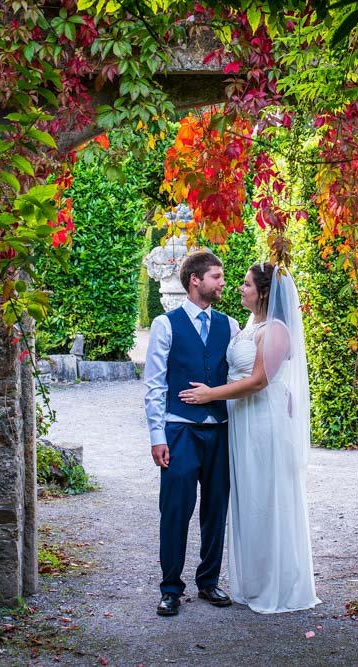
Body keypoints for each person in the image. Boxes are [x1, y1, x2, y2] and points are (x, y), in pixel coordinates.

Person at [179, 262, 320, 614]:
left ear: (263, 292)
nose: (238, 288)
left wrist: (211, 395)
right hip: (241, 421)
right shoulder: (247, 326)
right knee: (247, 500)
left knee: (267, 498)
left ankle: (278, 585)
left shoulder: (275, 330)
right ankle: (252, 582)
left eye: (245, 284)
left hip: (263, 421)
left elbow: (259, 381)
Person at [143, 251, 240, 617]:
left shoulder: (229, 326)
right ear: (195, 280)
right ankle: (170, 588)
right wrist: (157, 436)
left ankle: (209, 582)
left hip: (219, 431)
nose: (222, 282)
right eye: (216, 276)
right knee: (175, 510)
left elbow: (239, 376)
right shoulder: (165, 325)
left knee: (216, 509)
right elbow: (154, 385)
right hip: (179, 430)